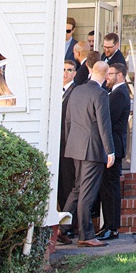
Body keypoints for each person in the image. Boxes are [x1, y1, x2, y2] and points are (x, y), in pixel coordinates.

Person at [63, 60, 115, 246]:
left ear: (92, 71)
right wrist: (110, 151)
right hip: (92, 149)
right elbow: (104, 125)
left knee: (77, 189)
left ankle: (62, 228)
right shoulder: (100, 94)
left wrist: (70, 143)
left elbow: (68, 121)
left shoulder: (76, 90)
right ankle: (86, 235)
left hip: (75, 146)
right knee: (87, 192)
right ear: (107, 75)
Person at [97, 61, 131, 239]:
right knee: (106, 188)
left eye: (110, 74)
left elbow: (108, 118)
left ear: (120, 75)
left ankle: (113, 226)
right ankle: (107, 225)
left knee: (111, 188)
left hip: (114, 147)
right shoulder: (112, 92)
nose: (107, 77)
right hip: (110, 147)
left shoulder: (120, 94)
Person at [58, 59, 78, 211]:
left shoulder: (76, 92)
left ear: (75, 73)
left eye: (69, 70)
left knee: (68, 182)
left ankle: (68, 222)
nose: (65, 73)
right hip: (56, 144)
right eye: (63, 69)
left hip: (69, 144)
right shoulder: (56, 90)